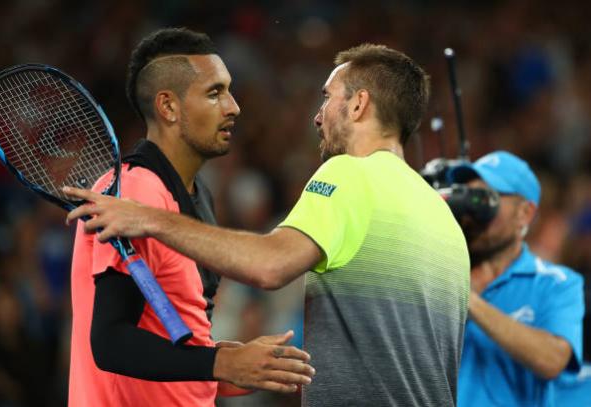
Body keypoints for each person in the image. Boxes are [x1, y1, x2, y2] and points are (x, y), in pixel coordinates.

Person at [65, 44, 471, 406]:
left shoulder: (350, 174)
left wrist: (147, 219)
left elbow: (270, 265)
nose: (317, 116)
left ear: (359, 104)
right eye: (215, 92)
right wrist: (227, 364)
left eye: (327, 98)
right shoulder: (441, 215)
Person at [67, 27, 314, 407]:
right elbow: (110, 341)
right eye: (215, 93)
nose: (233, 107)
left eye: (228, 91)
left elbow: (174, 348)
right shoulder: (135, 191)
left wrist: (234, 368)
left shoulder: (198, 196)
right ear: (168, 107)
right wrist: (220, 361)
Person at [447, 151, 585, 406]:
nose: (472, 213)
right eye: (467, 197)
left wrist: (469, 300)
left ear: (525, 213)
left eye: (485, 199)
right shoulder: (438, 274)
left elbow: (552, 360)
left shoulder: (556, 284)